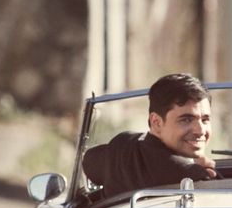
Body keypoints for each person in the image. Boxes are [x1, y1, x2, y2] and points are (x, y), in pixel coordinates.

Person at [83, 73, 218, 196]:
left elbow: (89, 163)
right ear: (156, 122)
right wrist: (196, 169)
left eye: (205, 120)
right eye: (186, 120)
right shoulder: (193, 177)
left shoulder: (122, 144)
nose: (200, 130)